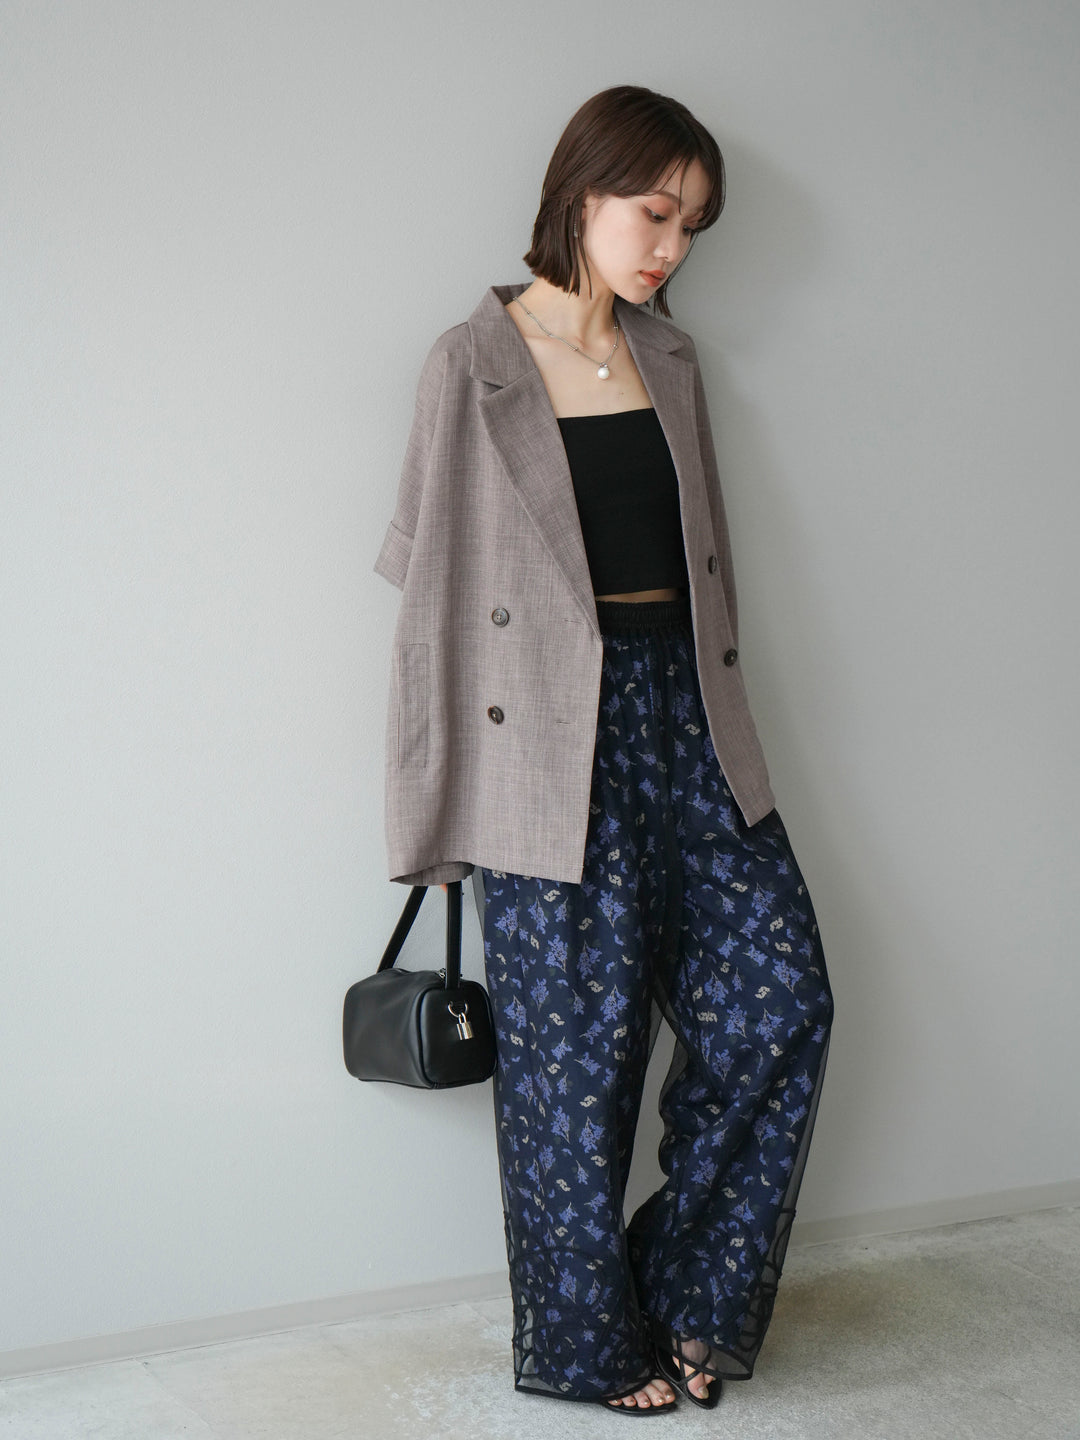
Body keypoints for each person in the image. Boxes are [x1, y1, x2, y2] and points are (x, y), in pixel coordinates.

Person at [375, 85, 833, 1416]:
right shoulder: (470, 363)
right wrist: (429, 817)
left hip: (688, 719)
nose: (671, 249)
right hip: (542, 743)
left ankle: (688, 1294)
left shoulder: (670, 359)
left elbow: (709, 574)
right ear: (583, 193)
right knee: (575, 1069)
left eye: (692, 228)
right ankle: (587, 1346)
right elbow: (430, 606)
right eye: (655, 214)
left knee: (783, 1004)